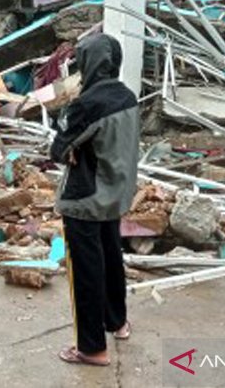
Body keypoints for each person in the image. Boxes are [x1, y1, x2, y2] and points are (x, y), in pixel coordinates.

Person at [50, 34, 139, 366]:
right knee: (111, 257)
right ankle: (117, 322)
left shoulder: (87, 104)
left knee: (86, 271)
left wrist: (72, 148)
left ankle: (91, 347)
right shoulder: (127, 96)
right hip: (116, 192)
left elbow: (58, 149)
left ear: (88, 63)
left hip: (85, 198)